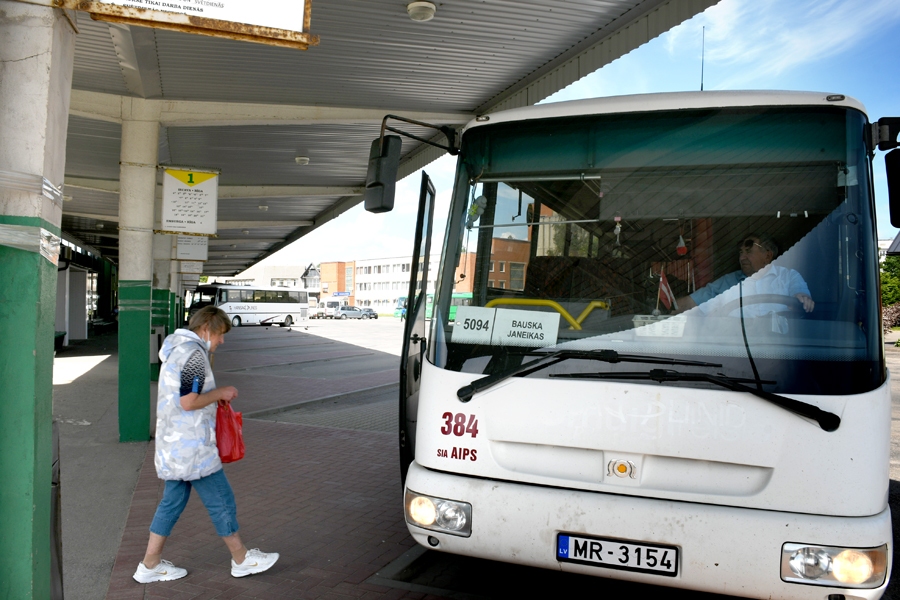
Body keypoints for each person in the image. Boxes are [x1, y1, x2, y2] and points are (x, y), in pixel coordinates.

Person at [133, 306, 279, 584]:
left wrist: (213, 396)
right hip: (192, 447)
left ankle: (150, 565)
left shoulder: (176, 350)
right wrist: (220, 393)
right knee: (221, 500)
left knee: (171, 503)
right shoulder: (194, 354)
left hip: (175, 446)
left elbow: (182, 398)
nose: (222, 341)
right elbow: (188, 401)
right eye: (221, 334)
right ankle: (241, 559)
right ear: (206, 329)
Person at [675, 234, 815, 315]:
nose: (742, 257)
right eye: (741, 253)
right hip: (736, 349)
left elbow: (801, 295)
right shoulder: (728, 282)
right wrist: (665, 307)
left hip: (778, 352)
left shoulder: (788, 277)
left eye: (748, 252)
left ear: (768, 255)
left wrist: (802, 298)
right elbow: (691, 303)